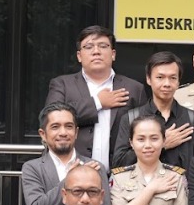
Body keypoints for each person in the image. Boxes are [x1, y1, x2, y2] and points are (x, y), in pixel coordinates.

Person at [43, 25, 147, 167]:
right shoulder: (62, 84)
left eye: (103, 46)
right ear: (79, 56)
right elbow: (51, 119)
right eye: (89, 47)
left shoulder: (134, 88)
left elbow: (143, 131)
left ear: (113, 54)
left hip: (120, 177)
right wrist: (98, 102)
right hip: (71, 173)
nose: (96, 51)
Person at [112, 51, 194, 172]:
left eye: (172, 78)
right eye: (160, 77)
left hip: (180, 189)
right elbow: (118, 163)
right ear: (148, 79)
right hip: (140, 189)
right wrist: (161, 144)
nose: (167, 84)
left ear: (178, 82)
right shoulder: (131, 118)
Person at [21, 102, 111, 205]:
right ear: (43, 134)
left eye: (69, 126)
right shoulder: (32, 168)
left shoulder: (94, 166)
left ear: (76, 132)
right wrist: (71, 177)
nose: (63, 132)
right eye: (55, 127)